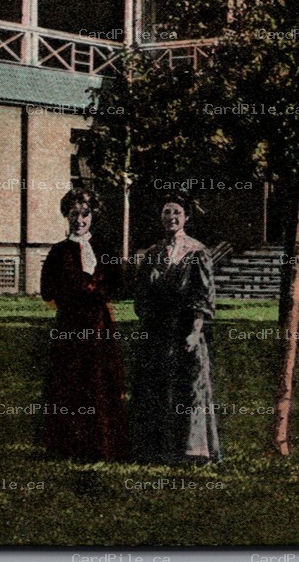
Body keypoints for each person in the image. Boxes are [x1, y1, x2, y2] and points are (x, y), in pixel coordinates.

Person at [130, 193, 222, 463]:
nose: (171, 218)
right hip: (157, 329)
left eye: (177, 213)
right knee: (155, 385)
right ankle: (156, 448)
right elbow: (141, 294)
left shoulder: (197, 252)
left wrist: (195, 331)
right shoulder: (153, 253)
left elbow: (203, 296)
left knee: (188, 387)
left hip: (186, 329)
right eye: (166, 212)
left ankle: (191, 449)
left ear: (186, 217)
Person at [40, 189, 131, 461]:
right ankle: (70, 444)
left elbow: (118, 283)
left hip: (100, 324)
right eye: (74, 214)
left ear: (93, 216)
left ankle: (102, 443)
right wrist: (73, 297)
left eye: (85, 214)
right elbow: (47, 292)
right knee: (71, 379)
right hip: (70, 324)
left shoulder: (104, 248)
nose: (79, 220)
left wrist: (97, 289)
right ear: (66, 215)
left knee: (99, 378)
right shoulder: (58, 252)